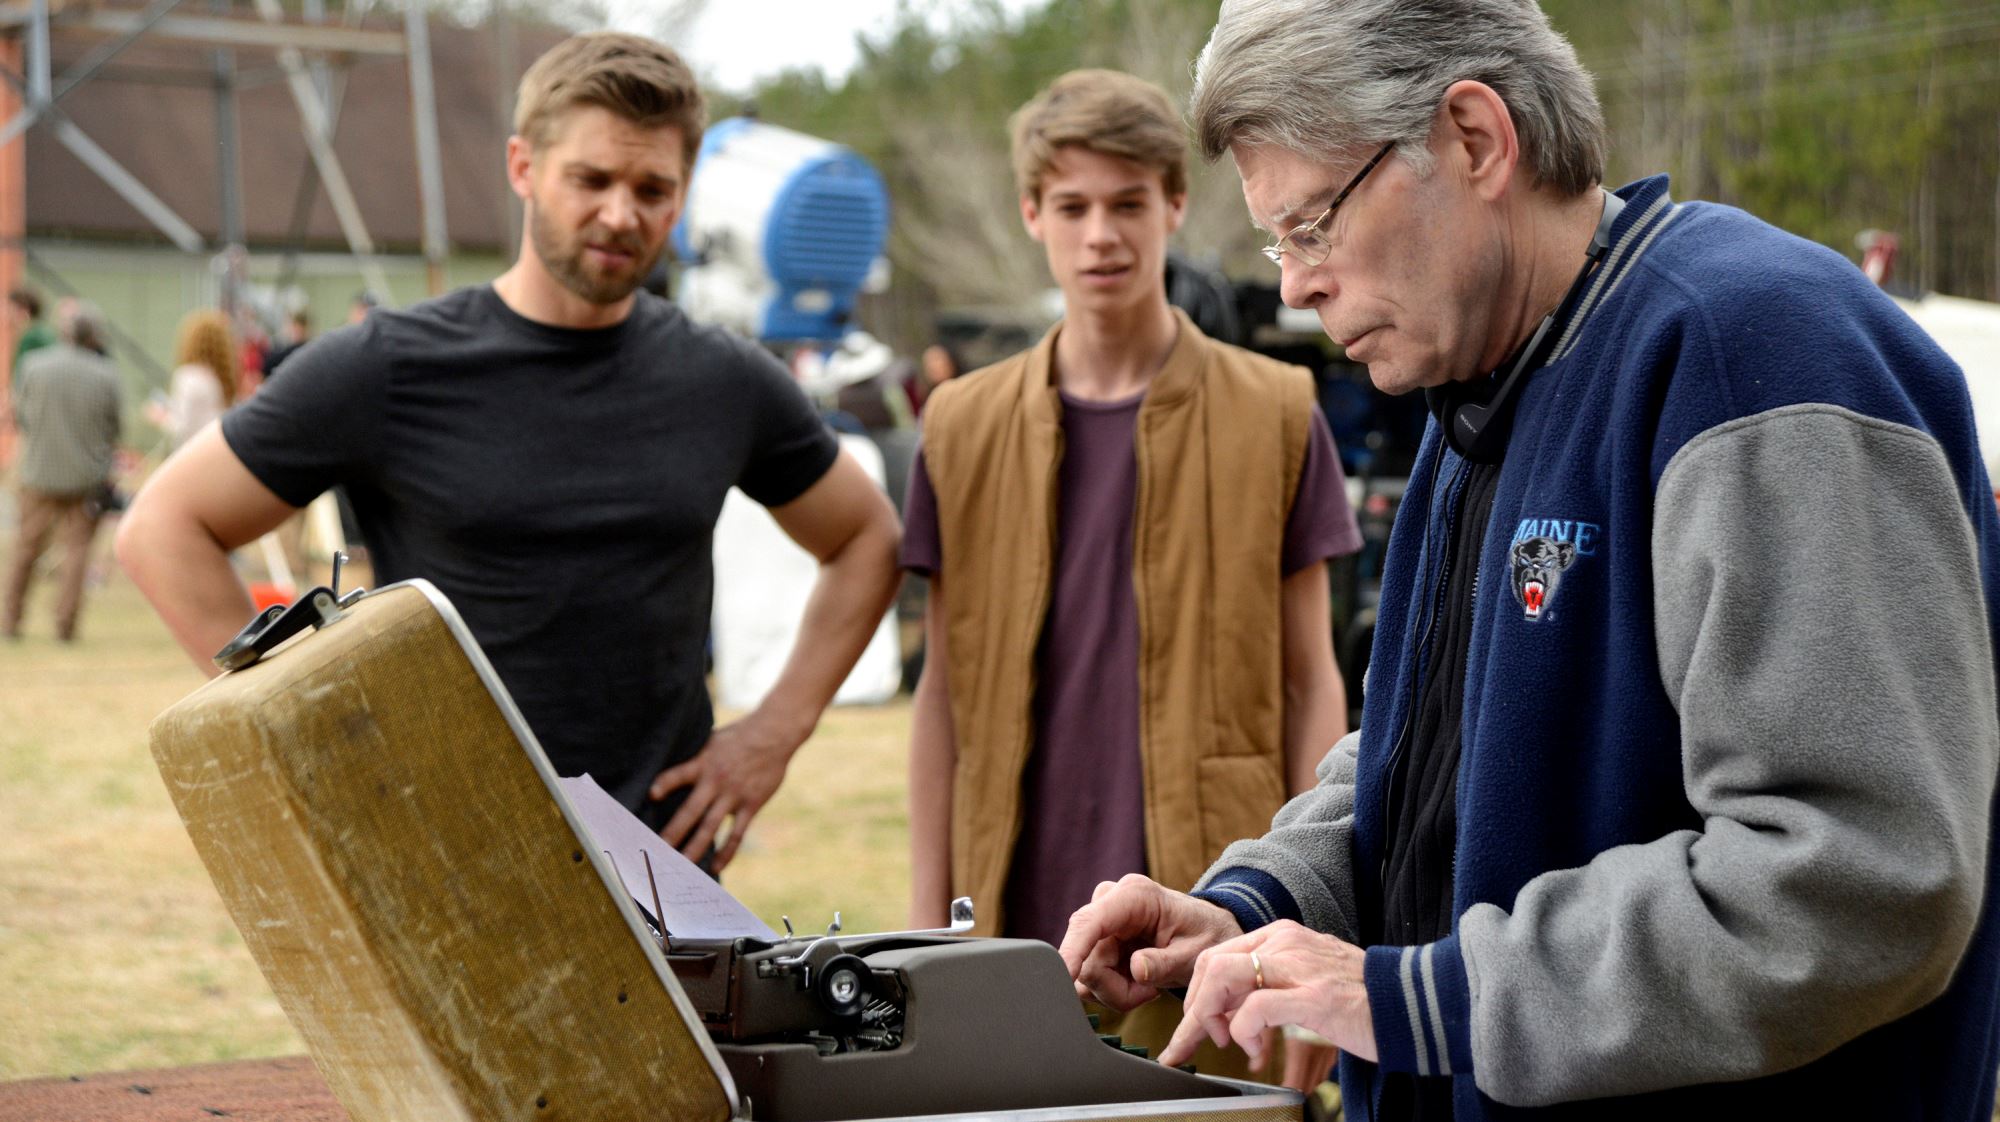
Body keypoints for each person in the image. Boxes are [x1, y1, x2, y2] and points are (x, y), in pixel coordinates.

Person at [1060, 1, 2000, 1118]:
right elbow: (1440, 745)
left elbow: (1857, 883)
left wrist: (1423, 1003)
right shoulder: (1483, 385)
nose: (1292, 287)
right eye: (1277, 243)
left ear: (1472, 138)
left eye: (1310, 226)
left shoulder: (1750, 355)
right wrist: (1262, 905)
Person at [116, 31, 902, 872]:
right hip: (438, 861)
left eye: (652, 188)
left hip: (664, 873)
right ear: (524, 167)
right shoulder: (389, 367)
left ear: (682, 199)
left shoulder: (724, 380)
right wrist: (308, 733)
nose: (621, 213)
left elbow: (867, 539)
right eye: (592, 180)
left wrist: (773, 735)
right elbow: (162, 528)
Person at [903, 69, 1361, 1086]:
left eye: (1126, 204)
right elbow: (940, 692)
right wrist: (923, 932)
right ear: (1032, 213)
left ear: (1175, 205)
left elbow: (1309, 683)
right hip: (1009, 926)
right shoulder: (960, 426)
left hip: (1203, 920)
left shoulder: (1277, 411)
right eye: (1070, 206)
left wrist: (1312, 933)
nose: (1100, 235)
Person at [4, 300, 122, 641]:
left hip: (38, 472)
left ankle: (10, 621)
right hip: (86, 477)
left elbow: (21, 415)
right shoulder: (104, 373)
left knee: (25, 548)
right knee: (77, 551)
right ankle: (65, 625)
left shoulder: (33, 366)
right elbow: (113, 427)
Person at [151, 310, 238, 450]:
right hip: (216, 450)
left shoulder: (187, 376)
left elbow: (181, 427)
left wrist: (160, 417)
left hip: (192, 454)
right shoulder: (221, 379)